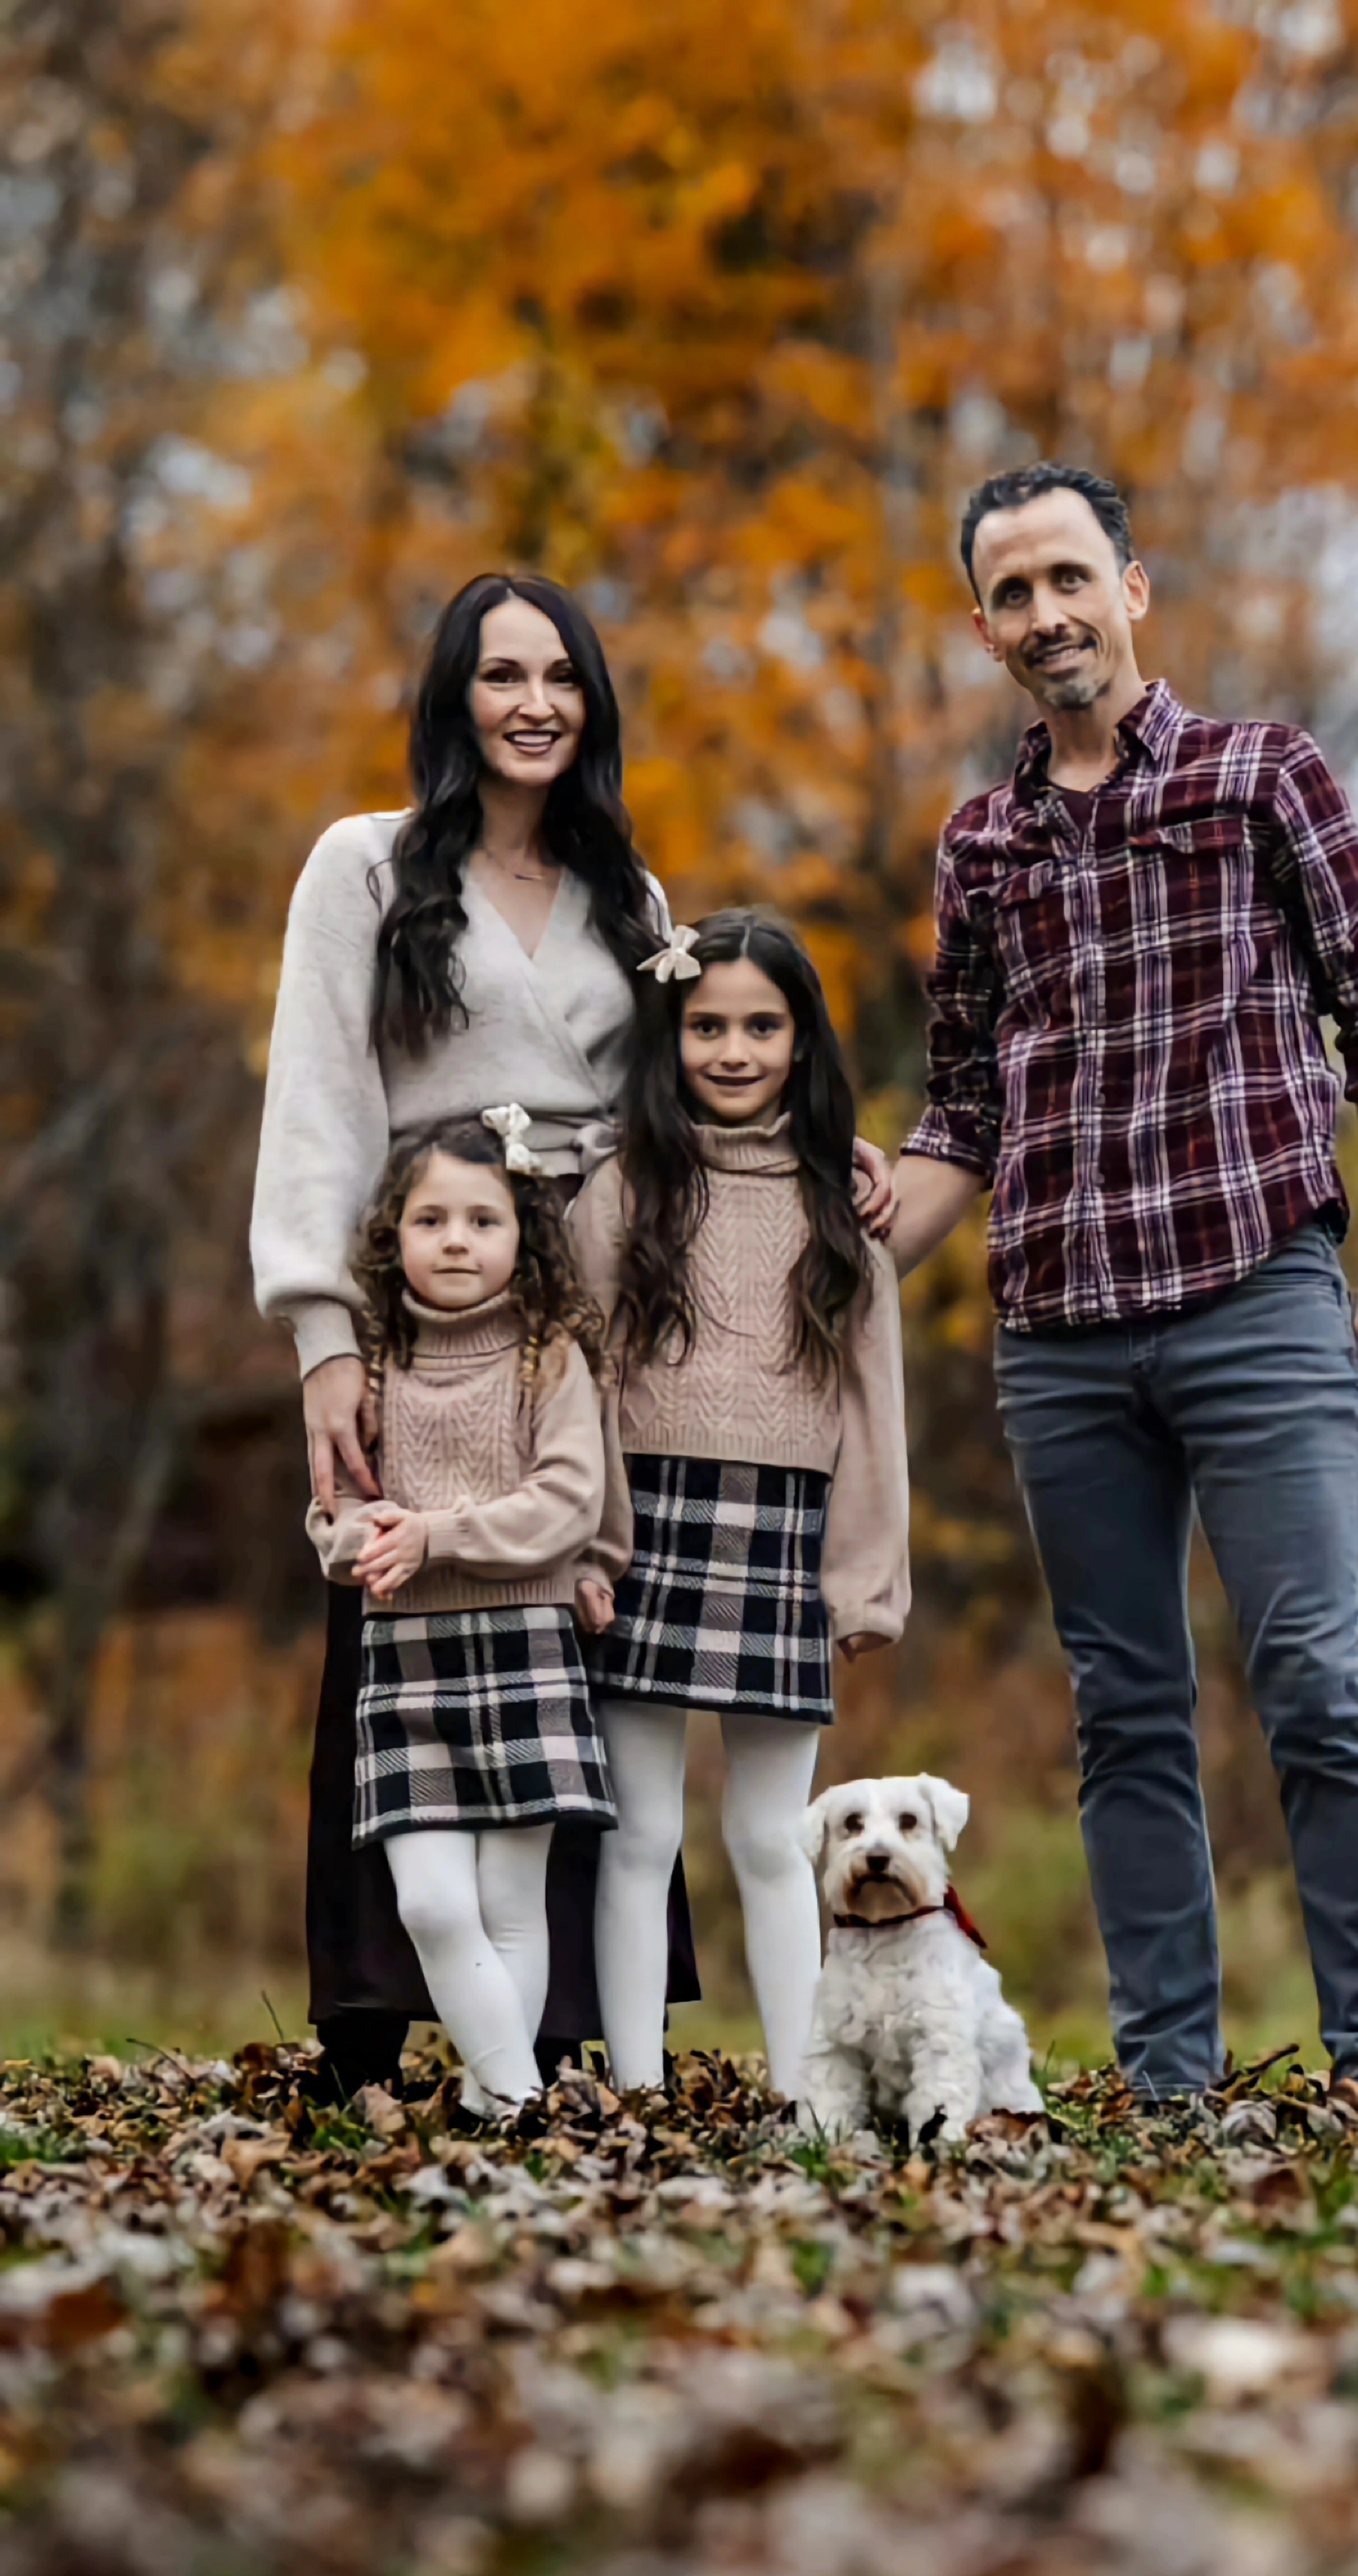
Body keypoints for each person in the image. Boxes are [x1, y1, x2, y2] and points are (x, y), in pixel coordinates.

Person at [889, 462, 1358, 2114]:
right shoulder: (980, 847)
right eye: (1012, 593)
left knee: (1314, 1678)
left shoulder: (1263, 777)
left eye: (1071, 577)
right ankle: (1170, 2081)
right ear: (982, 631)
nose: (1046, 614)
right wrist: (820, 1245)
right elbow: (964, 1107)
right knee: (1126, 1713)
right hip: (1060, 1336)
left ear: (1132, 586)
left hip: (1259, 1293)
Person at [251, 571, 704, 2099]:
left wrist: (820, 1149)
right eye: (502, 675)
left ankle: (562, 2017)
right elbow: (319, 1093)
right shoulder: (365, 868)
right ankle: (373, 2011)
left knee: (569, 1606)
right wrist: (323, 1332)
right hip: (418, 1271)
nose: (535, 704)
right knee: (400, 1586)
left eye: (563, 676)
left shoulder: (627, 895)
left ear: (593, 702)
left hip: (590, 1280)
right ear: (453, 700)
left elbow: (707, 1073)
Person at [571, 912, 911, 2101]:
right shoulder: (621, 1190)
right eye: (706, 1025)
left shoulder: (845, 1213)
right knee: (638, 1832)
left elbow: (875, 1409)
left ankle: (807, 2088)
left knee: (775, 1837)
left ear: (801, 1042)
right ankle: (633, 2083)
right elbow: (583, 1378)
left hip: (786, 1532)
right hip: (644, 1523)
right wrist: (590, 1540)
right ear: (671, 1040)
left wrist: (866, 1579)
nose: (731, 1049)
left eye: (761, 1025)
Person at [306, 1115, 625, 2118]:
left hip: (526, 1648)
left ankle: (499, 2118)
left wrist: (436, 1535)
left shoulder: (553, 1358)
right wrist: (358, 1543)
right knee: (434, 1905)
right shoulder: (372, 1361)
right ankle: (526, 2103)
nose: (456, 1240)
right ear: (391, 1233)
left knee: (512, 1910)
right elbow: (334, 1509)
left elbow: (570, 1500)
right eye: (430, 1218)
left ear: (523, 1233)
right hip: (407, 1660)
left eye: (482, 1220)